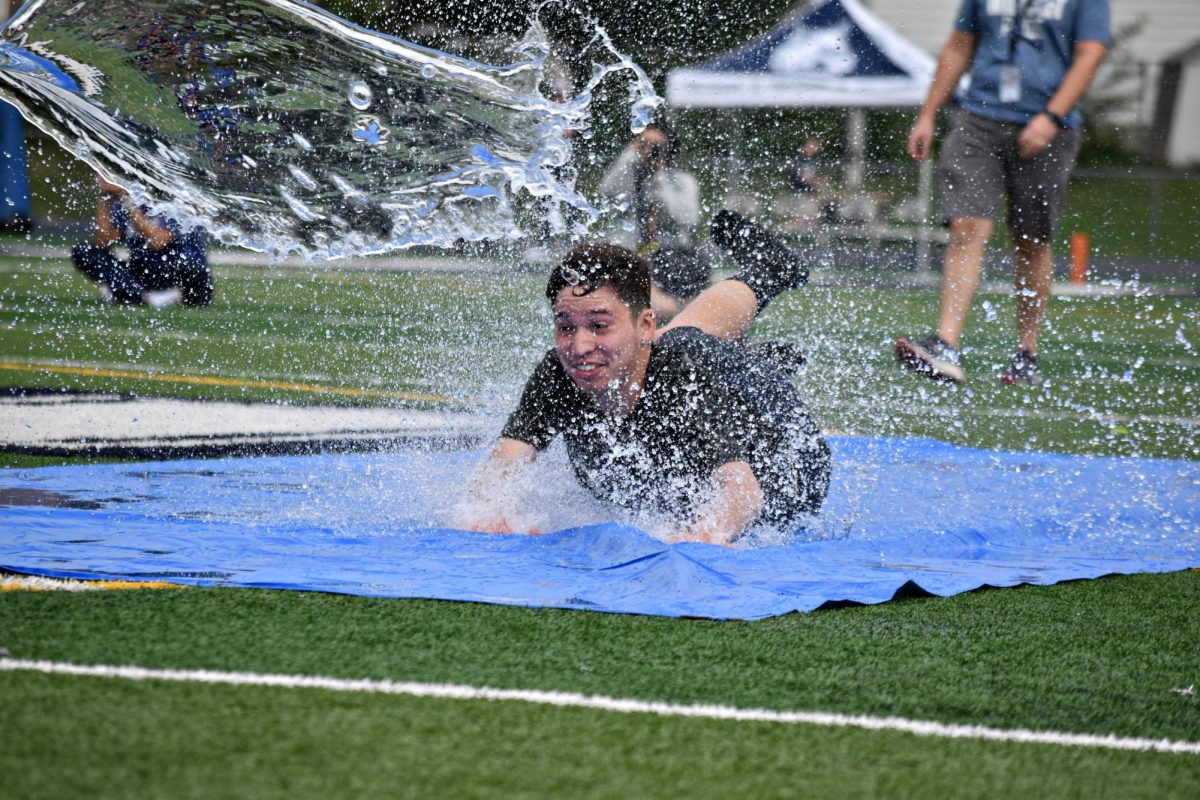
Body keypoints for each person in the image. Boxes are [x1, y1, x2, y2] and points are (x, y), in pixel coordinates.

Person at [462, 212, 831, 546]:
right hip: (677, 357)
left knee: (687, 343)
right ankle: (771, 276)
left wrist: (703, 535)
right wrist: (489, 510)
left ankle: (765, 327)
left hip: (788, 452)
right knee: (684, 335)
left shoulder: (684, 386)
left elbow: (742, 493)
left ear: (645, 325)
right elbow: (507, 459)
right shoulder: (561, 373)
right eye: (565, 326)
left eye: (599, 326)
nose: (578, 346)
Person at [896, 0, 1109, 386]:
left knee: (1031, 241)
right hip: (978, 118)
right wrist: (928, 113)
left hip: (1048, 126)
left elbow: (1090, 54)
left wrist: (1052, 116)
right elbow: (960, 45)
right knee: (966, 225)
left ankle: (1027, 352)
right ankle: (946, 344)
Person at [597, 119, 710, 324]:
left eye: (656, 146)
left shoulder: (682, 182)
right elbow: (607, 192)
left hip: (672, 256)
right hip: (633, 254)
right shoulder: (626, 177)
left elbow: (686, 218)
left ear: (669, 149)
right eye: (643, 144)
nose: (649, 151)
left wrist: (659, 177)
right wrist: (629, 156)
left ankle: (676, 311)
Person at [71, 178, 212, 308]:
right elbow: (103, 242)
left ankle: (132, 293)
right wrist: (105, 197)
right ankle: (143, 296)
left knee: (195, 272)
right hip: (144, 269)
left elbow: (156, 241)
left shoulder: (176, 198)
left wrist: (128, 201)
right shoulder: (129, 200)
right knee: (84, 251)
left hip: (179, 271)